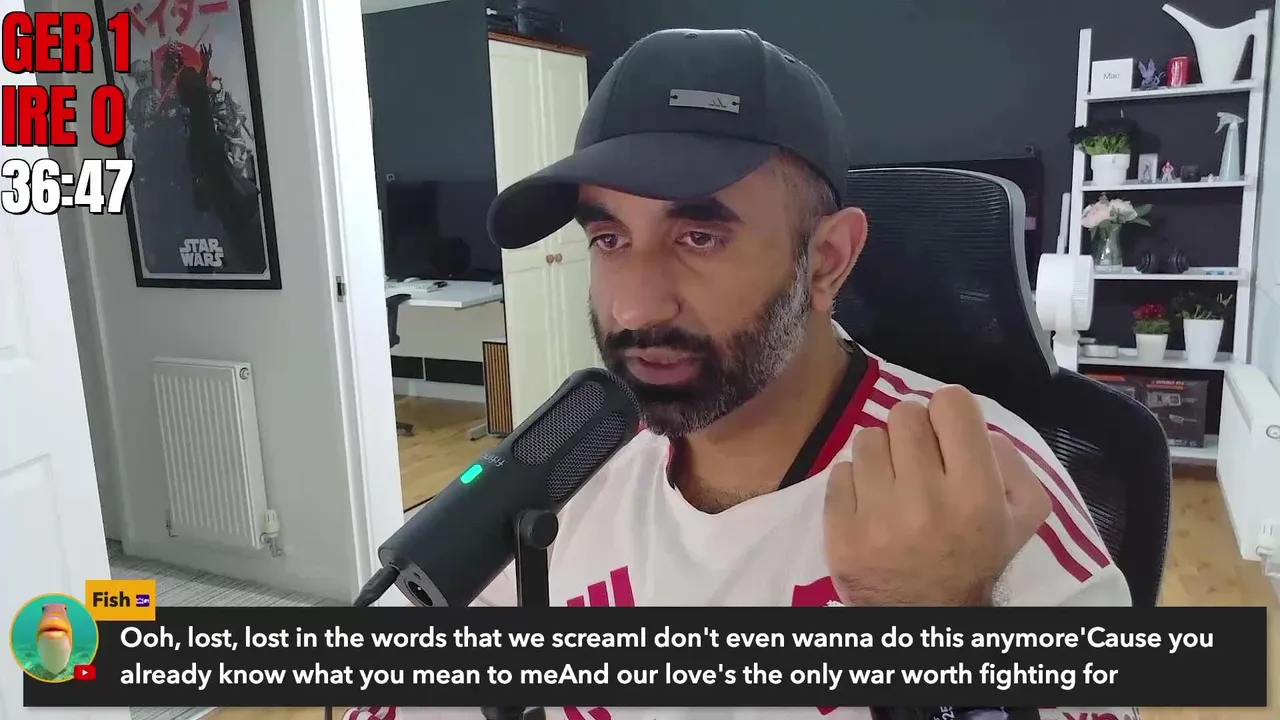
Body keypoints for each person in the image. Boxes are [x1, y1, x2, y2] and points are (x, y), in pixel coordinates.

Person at [348, 28, 1137, 720]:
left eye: (699, 237)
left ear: (826, 261)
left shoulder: (978, 492)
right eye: (609, 239)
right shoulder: (573, 459)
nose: (633, 306)